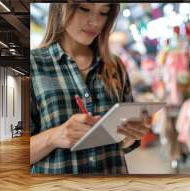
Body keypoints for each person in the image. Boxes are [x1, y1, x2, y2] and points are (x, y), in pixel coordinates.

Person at [30, 3, 151, 174]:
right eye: (85, 9)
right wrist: (55, 136)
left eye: (103, 12)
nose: (95, 21)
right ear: (60, 8)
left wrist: (131, 135)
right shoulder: (33, 65)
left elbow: (120, 147)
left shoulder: (114, 66)